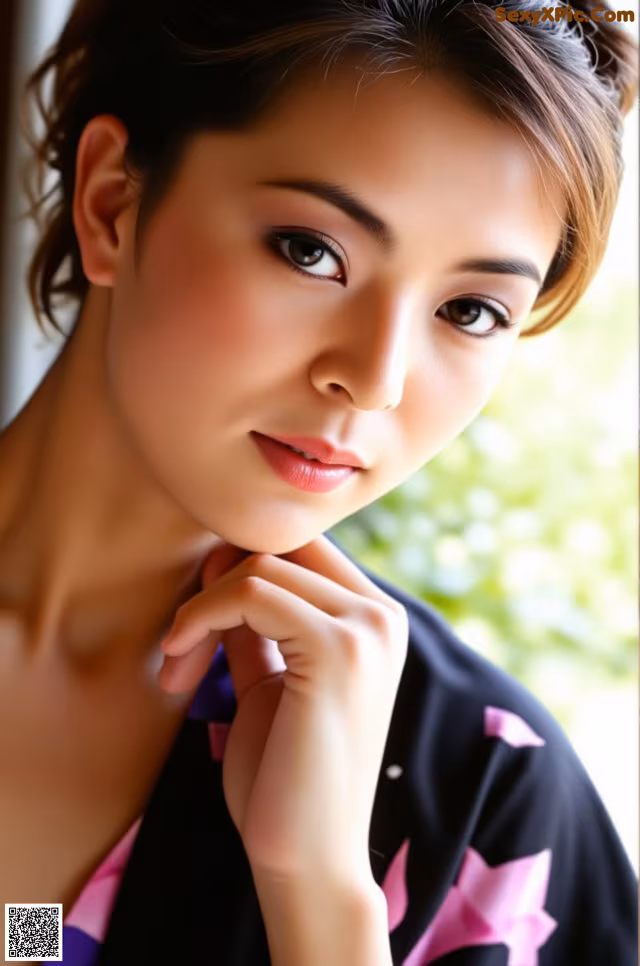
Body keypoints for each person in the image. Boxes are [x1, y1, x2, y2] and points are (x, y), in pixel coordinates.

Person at [0, 0, 637, 963]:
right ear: (112, 206)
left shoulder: (485, 806)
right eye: (313, 251)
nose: (373, 379)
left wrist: (324, 900)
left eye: (469, 310)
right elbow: (23, 940)